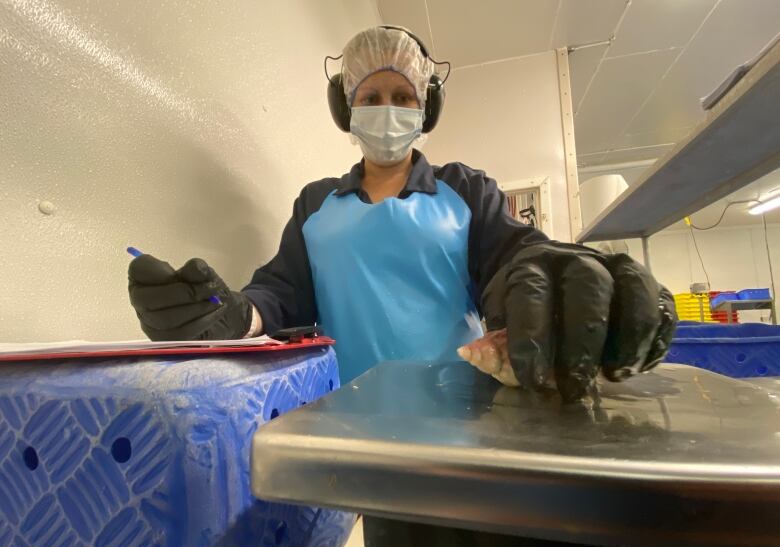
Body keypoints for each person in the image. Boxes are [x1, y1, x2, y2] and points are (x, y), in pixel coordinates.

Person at [128, 26, 676, 402]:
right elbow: (280, 296)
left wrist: (557, 271)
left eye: (402, 96)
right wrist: (231, 316)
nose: (386, 108)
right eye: (369, 97)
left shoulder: (464, 189)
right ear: (346, 108)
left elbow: (515, 257)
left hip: (467, 412)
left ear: (425, 108)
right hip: (353, 414)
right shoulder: (316, 204)